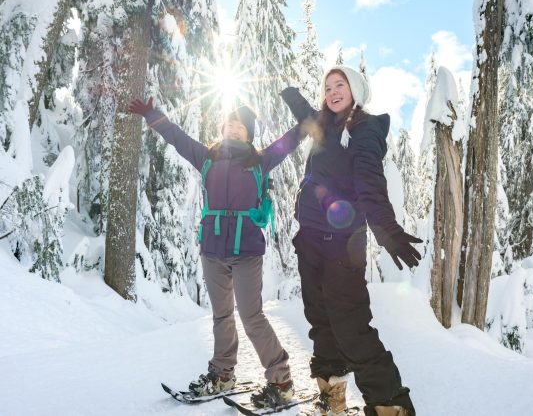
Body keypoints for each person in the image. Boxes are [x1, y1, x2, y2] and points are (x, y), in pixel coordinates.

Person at [128, 97, 301, 409]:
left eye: (240, 126)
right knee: (221, 315)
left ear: (249, 134)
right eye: (229, 123)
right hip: (212, 249)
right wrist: (152, 114)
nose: (233, 128)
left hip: (247, 250)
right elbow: (177, 137)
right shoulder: (206, 157)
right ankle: (222, 375)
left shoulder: (260, 161)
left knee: (251, 316)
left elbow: (288, 142)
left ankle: (281, 381)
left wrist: (312, 121)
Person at [280, 66, 422, 416]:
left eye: (339, 85)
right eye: (327, 87)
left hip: (344, 244)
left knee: (350, 326)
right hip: (310, 240)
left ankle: (391, 406)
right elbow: (305, 113)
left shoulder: (364, 129)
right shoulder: (323, 124)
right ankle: (332, 397)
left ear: (355, 89)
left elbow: (369, 181)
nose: (332, 92)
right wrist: (290, 93)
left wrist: (387, 230)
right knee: (321, 320)